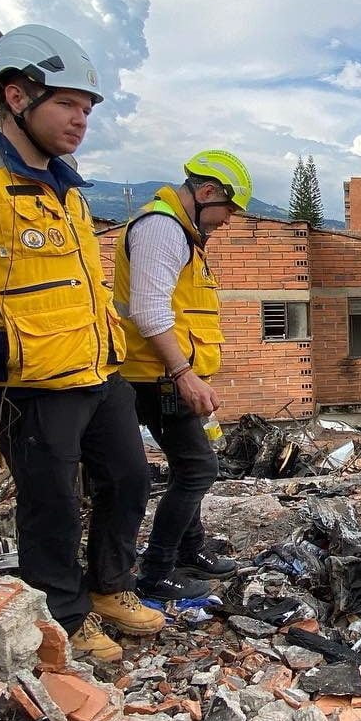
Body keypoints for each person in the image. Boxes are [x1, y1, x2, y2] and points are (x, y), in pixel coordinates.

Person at [0, 24, 165, 663]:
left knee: (128, 479)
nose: (81, 119)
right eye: (68, 103)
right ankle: (62, 620)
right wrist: (3, 359)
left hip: (96, 372)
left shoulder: (66, 186)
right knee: (53, 507)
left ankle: (108, 588)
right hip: (27, 382)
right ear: (17, 96)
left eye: (88, 108)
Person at [112, 150, 252, 601]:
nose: (227, 220)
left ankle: (191, 549)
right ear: (206, 192)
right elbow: (150, 312)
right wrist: (184, 374)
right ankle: (157, 570)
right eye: (227, 210)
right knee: (196, 469)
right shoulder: (161, 229)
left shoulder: (181, 233)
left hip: (165, 372)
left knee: (187, 463)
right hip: (156, 374)